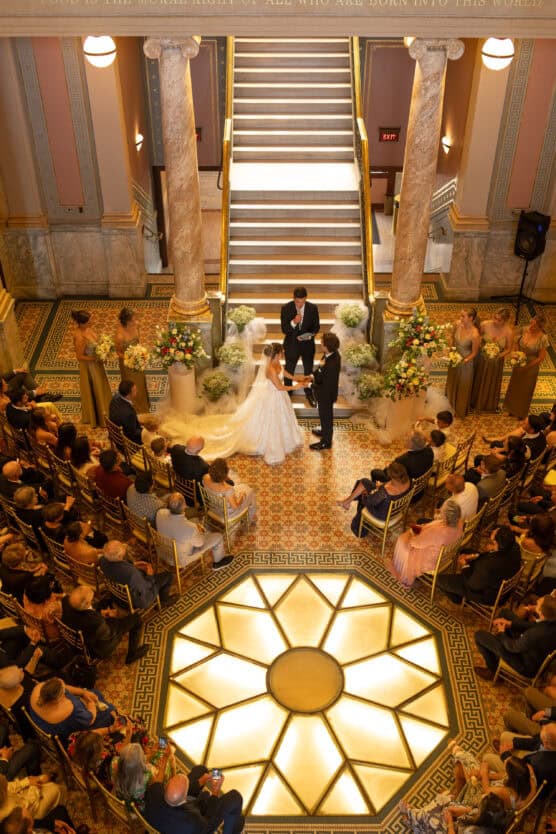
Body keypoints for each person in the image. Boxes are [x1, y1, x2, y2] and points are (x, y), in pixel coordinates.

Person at [160, 344, 305, 467]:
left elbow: (285, 373)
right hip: (273, 396)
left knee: (282, 420)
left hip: (279, 398)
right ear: (277, 354)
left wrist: (297, 378)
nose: (283, 355)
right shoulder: (270, 370)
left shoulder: (277, 363)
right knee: (270, 421)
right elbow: (279, 387)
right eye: (281, 353)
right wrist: (296, 386)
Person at [474, 593, 556, 681]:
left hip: (523, 664)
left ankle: (492, 671)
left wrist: (502, 632)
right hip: (533, 654)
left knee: (479, 635)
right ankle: (497, 648)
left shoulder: (534, 634)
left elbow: (512, 647)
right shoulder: (552, 621)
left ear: (541, 613)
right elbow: (531, 625)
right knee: (504, 613)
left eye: (539, 602)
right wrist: (510, 624)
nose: (537, 600)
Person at [61, 584, 149, 665]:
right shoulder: (96, 621)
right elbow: (109, 635)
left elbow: (88, 613)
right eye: (91, 599)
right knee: (136, 619)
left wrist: (100, 612)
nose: (93, 598)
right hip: (99, 648)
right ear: (87, 603)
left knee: (104, 601)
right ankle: (132, 655)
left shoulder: (66, 602)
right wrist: (113, 618)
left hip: (80, 638)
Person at [144, 764, 244, 834]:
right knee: (236, 796)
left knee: (200, 769)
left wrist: (201, 781)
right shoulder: (193, 822)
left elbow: (157, 782)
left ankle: (201, 779)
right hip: (201, 828)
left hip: (164, 823)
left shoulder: (153, 795)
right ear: (186, 798)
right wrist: (215, 792)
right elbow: (209, 820)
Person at [437, 525, 522, 605]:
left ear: (496, 543)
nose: (492, 531)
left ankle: (459, 599)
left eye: (494, 532)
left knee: (439, 580)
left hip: (486, 594)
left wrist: (465, 566)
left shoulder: (486, 567)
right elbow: (494, 556)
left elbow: (472, 585)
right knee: (465, 551)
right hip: (499, 576)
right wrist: (476, 556)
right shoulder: (515, 547)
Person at [390, 500, 463, 587]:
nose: (440, 514)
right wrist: (425, 529)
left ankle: (405, 573)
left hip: (432, 558)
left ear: (446, 518)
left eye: (442, 513)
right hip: (446, 554)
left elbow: (416, 543)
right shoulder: (459, 522)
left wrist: (412, 534)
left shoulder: (440, 533)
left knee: (402, 540)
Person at [27, 677, 118, 743]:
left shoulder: (38, 688)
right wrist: (91, 703)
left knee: (94, 693)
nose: (65, 690)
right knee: (110, 712)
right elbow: (90, 719)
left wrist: (83, 692)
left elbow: (64, 687)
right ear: (56, 699)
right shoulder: (70, 709)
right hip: (69, 736)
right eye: (63, 692)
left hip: (46, 728)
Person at [156, 493, 231, 570]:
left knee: (194, 520)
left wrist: (195, 528)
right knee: (218, 537)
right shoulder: (190, 528)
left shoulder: (160, 513)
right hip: (180, 560)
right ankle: (218, 562)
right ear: (184, 506)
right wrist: (200, 531)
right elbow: (200, 543)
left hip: (162, 551)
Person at [338, 462, 411, 536]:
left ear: (391, 477)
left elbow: (369, 501)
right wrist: (380, 487)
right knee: (364, 481)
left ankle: (358, 528)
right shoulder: (408, 481)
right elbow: (388, 489)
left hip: (382, 514)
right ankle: (347, 502)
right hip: (396, 510)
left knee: (362, 493)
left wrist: (365, 494)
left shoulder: (385, 492)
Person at [98, 539, 175, 609]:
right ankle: (163, 602)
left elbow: (118, 566)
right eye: (122, 547)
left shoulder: (102, 560)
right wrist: (150, 576)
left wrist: (132, 564)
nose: (124, 546)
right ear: (119, 556)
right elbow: (146, 587)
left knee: (144, 563)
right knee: (169, 576)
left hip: (117, 596)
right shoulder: (132, 574)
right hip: (139, 600)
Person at [71, 309, 112, 429]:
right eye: (89, 321)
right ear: (82, 323)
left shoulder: (88, 329)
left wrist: (103, 350)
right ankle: (99, 417)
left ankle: (105, 410)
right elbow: (79, 357)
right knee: (96, 388)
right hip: (90, 367)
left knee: (102, 387)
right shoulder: (80, 338)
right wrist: (94, 358)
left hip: (96, 364)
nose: (91, 323)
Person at [504, 313, 549, 419]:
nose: (531, 327)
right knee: (514, 387)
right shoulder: (524, 329)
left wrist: (527, 367)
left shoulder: (543, 338)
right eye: (531, 323)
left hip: (531, 367)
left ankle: (520, 413)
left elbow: (540, 358)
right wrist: (515, 353)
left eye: (535, 326)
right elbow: (516, 342)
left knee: (525, 391)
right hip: (519, 363)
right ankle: (511, 409)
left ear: (540, 327)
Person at [280, 286, 320, 407]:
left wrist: (307, 336)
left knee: (308, 370)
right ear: (294, 298)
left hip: (307, 345)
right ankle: (288, 393)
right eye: (297, 301)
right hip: (291, 344)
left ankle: (309, 392)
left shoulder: (313, 308)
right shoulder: (286, 308)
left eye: (302, 302)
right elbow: (284, 329)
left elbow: (316, 328)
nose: (299, 304)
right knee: (289, 369)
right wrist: (294, 322)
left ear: (306, 299)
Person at [471, 307, 514, 413]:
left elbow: (508, 349)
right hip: (482, 358)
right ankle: (473, 401)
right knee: (478, 379)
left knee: (490, 382)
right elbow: (477, 337)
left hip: (496, 363)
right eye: (495, 317)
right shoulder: (485, 324)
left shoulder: (509, 332)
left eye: (499, 320)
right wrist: (483, 349)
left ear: (505, 320)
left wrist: (497, 356)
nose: (495, 321)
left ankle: (486, 403)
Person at [111, 741, 174, 811]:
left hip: (118, 796)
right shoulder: (146, 777)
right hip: (135, 808)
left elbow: (131, 763)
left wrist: (151, 753)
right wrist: (165, 759)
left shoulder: (114, 763)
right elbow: (158, 784)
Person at [445, 308, 480, 418]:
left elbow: (474, 353)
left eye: (463, 316)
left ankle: (459, 409)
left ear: (471, 318)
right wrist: (451, 350)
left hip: (465, 363)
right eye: (460, 316)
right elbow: (452, 338)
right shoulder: (457, 324)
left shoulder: (475, 334)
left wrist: (463, 360)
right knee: (452, 381)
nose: (460, 318)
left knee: (462, 386)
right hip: (454, 359)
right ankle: (449, 403)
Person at [115, 307, 150, 414]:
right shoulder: (120, 336)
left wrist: (140, 353)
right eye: (133, 320)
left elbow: (138, 343)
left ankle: (144, 407)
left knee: (140, 384)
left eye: (135, 319)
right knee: (132, 386)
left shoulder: (136, 327)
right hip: (128, 365)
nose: (136, 322)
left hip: (137, 362)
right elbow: (118, 352)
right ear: (126, 321)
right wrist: (130, 359)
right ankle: (135, 410)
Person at [310, 331, 341, 451]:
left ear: (327, 346)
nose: (320, 344)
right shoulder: (331, 354)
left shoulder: (332, 364)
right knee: (324, 415)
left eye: (322, 343)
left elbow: (325, 385)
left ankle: (326, 442)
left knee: (326, 417)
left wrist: (311, 385)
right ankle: (324, 431)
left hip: (326, 395)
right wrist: (316, 373)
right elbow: (321, 372)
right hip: (325, 393)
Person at [170, 437, 209, 502]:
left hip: (178, 486)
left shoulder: (176, 449)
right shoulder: (203, 466)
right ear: (199, 450)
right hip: (191, 498)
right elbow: (202, 485)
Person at [109, 380, 143, 445]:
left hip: (116, 433)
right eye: (135, 390)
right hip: (126, 442)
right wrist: (146, 431)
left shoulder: (115, 398)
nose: (137, 391)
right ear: (128, 395)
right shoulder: (129, 414)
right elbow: (133, 433)